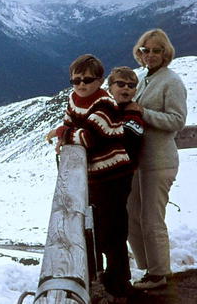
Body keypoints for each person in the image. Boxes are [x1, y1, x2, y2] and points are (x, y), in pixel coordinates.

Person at [46, 54, 135, 301]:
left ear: (100, 80)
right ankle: (102, 276)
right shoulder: (75, 99)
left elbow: (89, 138)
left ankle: (119, 282)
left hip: (113, 175)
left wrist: (62, 133)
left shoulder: (105, 104)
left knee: (113, 230)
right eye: (75, 80)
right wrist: (66, 135)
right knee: (98, 227)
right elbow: (71, 122)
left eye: (87, 79)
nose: (81, 85)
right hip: (96, 176)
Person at [126, 29, 187, 290]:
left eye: (156, 50)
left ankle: (159, 274)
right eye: (145, 50)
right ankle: (147, 266)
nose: (149, 55)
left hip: (159, 161)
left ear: (166, 53)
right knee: (132, 214)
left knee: (152, 217)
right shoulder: (143, 78)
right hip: (140, 161)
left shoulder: (171, 81)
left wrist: (143, 112)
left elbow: (177, 120)